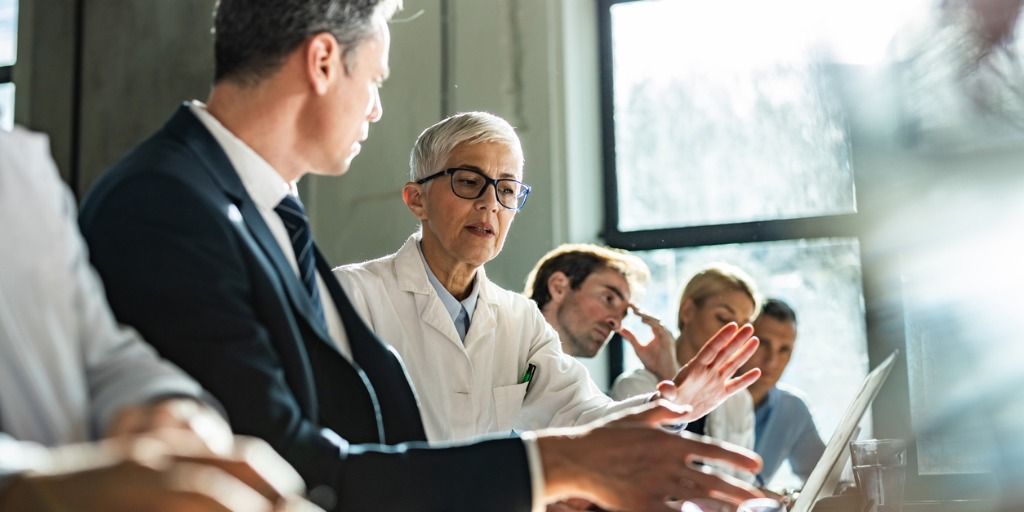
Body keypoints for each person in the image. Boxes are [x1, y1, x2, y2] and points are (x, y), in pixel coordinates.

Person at [78, 1, 764, 510]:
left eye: (506, 191)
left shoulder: (256, 213)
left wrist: (665, 407)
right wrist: (547, 469)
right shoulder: (169, 208)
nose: (375, 110)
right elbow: (285, 465)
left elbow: (361, 441)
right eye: (374, 79)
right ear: (323, 62)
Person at [333, 112, 761, 443]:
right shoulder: (351, 296)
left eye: (506, 190)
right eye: (468, 182)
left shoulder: (520, 321)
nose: (490, 205)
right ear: (417, 199)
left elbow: (581, 417)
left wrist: (672, 405)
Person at [0, 127, 314, 511]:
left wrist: (165, 406)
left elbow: (101, 353)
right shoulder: (157, 193)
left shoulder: (17, 169)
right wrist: (19, 487)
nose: (376, 109)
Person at [611, 263, 760, 454]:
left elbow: (743, 476)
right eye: (723, 318)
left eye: (743, 327)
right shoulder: (635, 388)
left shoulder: (738, 399)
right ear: (687, 311)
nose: (734, 335)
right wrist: (671, 377)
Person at [525, 243, 679, 381]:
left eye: (623, 314)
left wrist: (666, 374)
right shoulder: (506, 353)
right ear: (558, 287)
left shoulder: (572, 387)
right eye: (609, 299)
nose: (616, 324)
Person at [741, 298, 824, 485]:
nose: (772, 361)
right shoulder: (707, 402)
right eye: (763, 343)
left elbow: (825, 481)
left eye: (784, 349)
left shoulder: (793, 410)